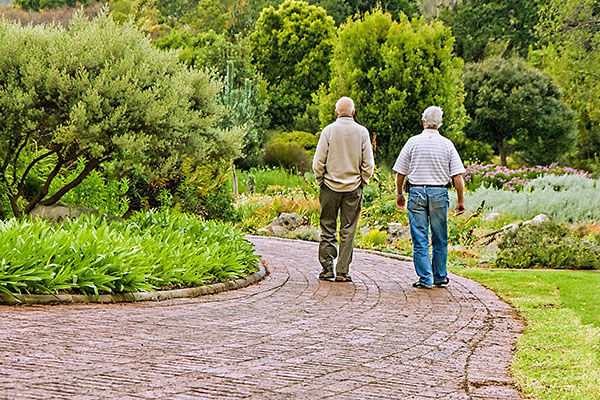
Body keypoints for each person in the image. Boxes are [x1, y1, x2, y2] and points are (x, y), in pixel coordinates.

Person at [393, 106, 465, 289]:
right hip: (439, 192)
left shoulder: (412, 142)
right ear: (440, 123)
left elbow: (400, 172)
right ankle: (440, 276)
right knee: (440, 236)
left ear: (423, 121)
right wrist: (460, 200)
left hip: (416, 191)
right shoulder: (447, 144)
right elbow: (457, 176)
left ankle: (425, 278)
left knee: (420, 237)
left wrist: (400, 193)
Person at [313, 97, 375, 282]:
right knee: (348, 229)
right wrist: (363, 181)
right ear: (353, 112)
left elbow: (318, 161)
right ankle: (342, 270)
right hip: (353, 187)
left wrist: (320, 180)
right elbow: (368, 164)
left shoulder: (328, 131)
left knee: (327, 226)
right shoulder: (362, 132)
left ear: (336, 112)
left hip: (330, 186)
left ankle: (326, 267)